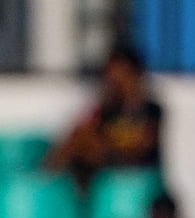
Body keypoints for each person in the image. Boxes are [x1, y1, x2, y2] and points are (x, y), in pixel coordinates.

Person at [44, 43, 164, 191]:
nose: (114, 80)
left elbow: (144, 147)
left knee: (83, 138)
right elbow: (90, 130)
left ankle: (46, 180)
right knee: (80, 136)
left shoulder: (151, 110)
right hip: (106, 169)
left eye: (120, 74)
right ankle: (46, 183)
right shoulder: (108, 109)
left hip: (135, 171)